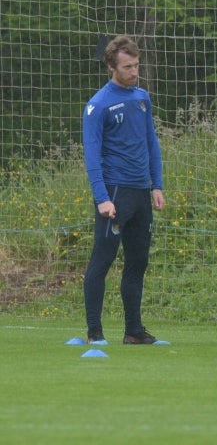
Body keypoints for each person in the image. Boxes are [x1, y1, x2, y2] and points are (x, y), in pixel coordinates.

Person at [82, 35, 167, 345]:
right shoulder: (98, 105)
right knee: (101, 262)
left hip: (141, 193)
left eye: (136, 65)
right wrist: (102, 197)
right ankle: (95, 333)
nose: (134, 72)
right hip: (114, 194)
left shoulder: (142, 98)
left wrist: (156, 184)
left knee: (137, 262)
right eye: (128, 67)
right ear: (111, 66)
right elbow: (92, 155)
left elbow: (151, 142)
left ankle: (134, 331)